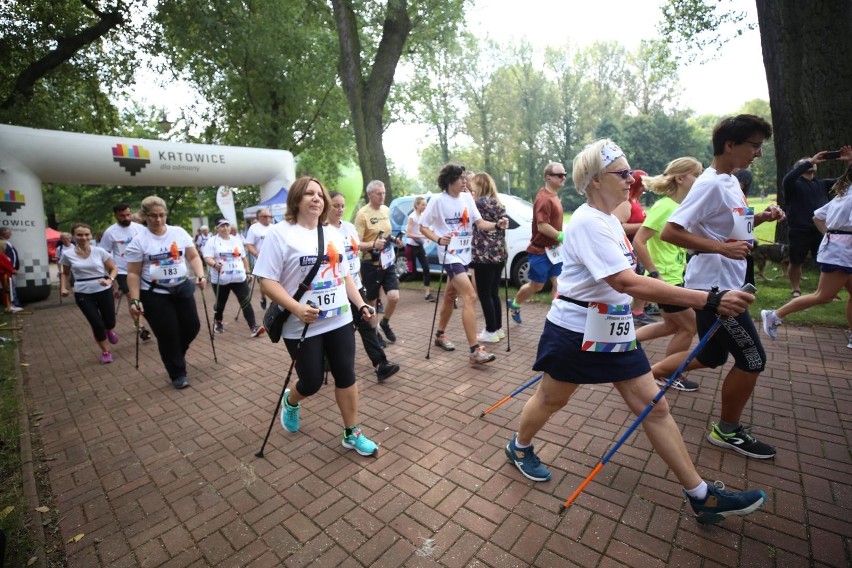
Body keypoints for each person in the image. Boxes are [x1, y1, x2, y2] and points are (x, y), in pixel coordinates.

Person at [504, 138, 767, 525]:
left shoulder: (609, 221)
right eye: (622, 173)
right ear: (595, 180)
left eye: (630, 171)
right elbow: (627, 283)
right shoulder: (589, 223)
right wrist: (707, 299)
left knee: (654, 407)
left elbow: (628, 274)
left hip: (611, 326)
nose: (631, 179)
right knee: (551, 399)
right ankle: (520, 446)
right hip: (576, 330)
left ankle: (701, 496)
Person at [653, 114, 785, 459]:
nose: (758, 153)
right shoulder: (710, 183)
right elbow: (672, 231)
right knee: (753, 359)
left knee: (712, 355)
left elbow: (726, 226)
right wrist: (722, 248)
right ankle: (727, 431)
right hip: (716, 290)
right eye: (754, 145)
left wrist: (761, 218)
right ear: (730, 145)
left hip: (728, 282)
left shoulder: (729, 181)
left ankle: (647, 375)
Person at [254, 176, 380, 456]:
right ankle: (292, 401)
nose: (316, 199)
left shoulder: (333, 233)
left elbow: (344, 273)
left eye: (319, 194)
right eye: (309, 194)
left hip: (339, 318)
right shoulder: (280, 233)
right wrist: (297, 308)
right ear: (296, 199)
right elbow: (266, 281)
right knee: (310, 381)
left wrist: (360, 304)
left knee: (346, 374)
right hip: (301, 324)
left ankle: (351, 432)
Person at [419, 164, 509, 365]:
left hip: (466, 255)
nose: (465, 182)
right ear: (450, 181)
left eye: (465, 178)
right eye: (461, 178)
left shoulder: (468, 198)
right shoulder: (438, 200)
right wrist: (438, 239)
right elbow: (423, 226)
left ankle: (440, 334)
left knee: (451, 295)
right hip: (450, 256)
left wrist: (496, 225)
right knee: (470, 295)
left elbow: (480, 223)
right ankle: (474, 350)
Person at [762, 160, 852, 347]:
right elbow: (818, 216)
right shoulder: (845, 194)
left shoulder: (842, 193)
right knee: (823, 295)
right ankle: (774, 315)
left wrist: (830, 235)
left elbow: (817, 216)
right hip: (840, 251)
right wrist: (835, 236)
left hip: (838, 247)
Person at [632, 158, 703, 392]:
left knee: (672, 326)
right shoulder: (664, 207)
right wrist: (654, 274)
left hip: (675, 276)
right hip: (666, 280)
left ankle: (627, 341)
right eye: (696, 175)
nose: (700, 179)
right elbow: (639, 241)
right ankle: (665, 374)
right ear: (680, 178)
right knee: (689, 327)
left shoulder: (679, 206)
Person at [126, 196, 207, 390]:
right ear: (145, 216)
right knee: (167, 333)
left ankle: (175, 355)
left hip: (182, 287)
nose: (158, 220)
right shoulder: (139, 241)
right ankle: (178, 373)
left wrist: (201, 274)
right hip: (155, 293)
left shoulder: (178, 232)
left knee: (192, 326)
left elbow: (193, 255)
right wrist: (135, 301)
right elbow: (133, 273)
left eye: (162, 215)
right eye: (153, 216)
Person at [329, 190, 401, 381]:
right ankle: (328, 359)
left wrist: (372, 246)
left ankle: (381, 364)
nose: (340, 209)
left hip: (355, 284)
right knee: (342, 329)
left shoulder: (349, 227)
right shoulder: (323, 230)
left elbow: (356, 248)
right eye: (335, 205)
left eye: (342, 206)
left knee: (367, 322)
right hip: (336, 287)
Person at [781, 146, 851, 297]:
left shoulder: (823, 184)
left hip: (820, 228)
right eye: (807, 163)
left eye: (812, 163)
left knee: (824, 262)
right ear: (800, 168)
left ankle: (827, 291)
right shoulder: (793, 184)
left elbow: (846, 181)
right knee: (796, 261)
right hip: (799, 229)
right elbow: (788, 178)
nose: (812, 164)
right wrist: (810, 160)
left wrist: (849, 163)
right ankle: (795, 289)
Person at [507, 162, 566, 324]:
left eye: (565, 174)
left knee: (559, 284)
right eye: (559, 175)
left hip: (554, 250)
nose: (564, 178)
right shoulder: (544, 199)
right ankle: (515, 304)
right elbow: (542, 226)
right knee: (537, 286)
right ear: (548, 177)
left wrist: (559, 240)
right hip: (540, 251)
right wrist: (561, 236)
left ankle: (556, 319)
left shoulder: (553, 196)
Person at [59, 223, 119, 364]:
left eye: (86, 234)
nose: (83, 237)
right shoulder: (67, 254)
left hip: (103, 289)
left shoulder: (100, 251)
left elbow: (113, 268)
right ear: (73, 236)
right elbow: (65, 273)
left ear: (90, 236)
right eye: (79, 235)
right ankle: (105, 351)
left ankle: (109, 329)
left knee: (110, 321)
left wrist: (110, 280)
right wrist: (63, 287)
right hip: (82, 292)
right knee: (96, 323)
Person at [354, 180, 401, 344]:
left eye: (384, 193)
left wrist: (394, 239)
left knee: (394, 297)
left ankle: (385, 323)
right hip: (370, 264)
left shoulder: (385, 210)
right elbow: (357, 244)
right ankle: (374, 334)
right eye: (378, 194)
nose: (382, 196)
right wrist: (373, 244)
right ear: (370, 195)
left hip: (387, 262)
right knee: (371, 302)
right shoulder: (362, 214)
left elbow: (385, 234)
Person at [202, 218, 264, 337]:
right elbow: (207, 257)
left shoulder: (237, 240)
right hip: (221, 279)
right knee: (220, 303)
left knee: (245, 301)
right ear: (217, 228)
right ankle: (218, 321)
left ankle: (254, 326)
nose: (225, 228)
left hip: (238, 277)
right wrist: (215, 264)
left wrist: (248, 272)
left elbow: (243, 258)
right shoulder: (212, 241)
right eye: (222, 226)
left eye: (227, 225)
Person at [98, 203, 151, 341]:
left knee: (146, 296)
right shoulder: (110, 232)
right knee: (131, 297)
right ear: (115, 215)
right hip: (123, 270)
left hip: (142, 267)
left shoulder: (140, 229)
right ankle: (140, 327)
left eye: (128, 214)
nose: (126, 218)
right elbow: (104, 254)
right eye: (122, 216)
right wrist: (110, 276)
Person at [614, 170, 657, 326]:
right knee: (638, 278)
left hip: (638, 246)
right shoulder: (625, 203)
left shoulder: (635, 201)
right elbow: (619, 226)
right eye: (643, 184)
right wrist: (645, 226)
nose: (645, 188)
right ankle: (637, 311)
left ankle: (640, 308)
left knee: (642, 276)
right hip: (630, 246)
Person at [470, 172, 507, 344]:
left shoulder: (477, 203)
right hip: (499, 252)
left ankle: (491, 330)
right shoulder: (498, 203)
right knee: (493, 293)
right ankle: (497, 328)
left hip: (483, 254)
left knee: (484, 293)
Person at [405, 196, 435, 302]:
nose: (425, 207)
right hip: (410, 248)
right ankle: (393, 285)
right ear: (417, 205)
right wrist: (422, 236)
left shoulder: (423, 216)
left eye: (426, 205)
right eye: (423, 205)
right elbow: (408, 234)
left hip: (420, 247)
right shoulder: (412, 217)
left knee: (426, 269)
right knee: (410, 274)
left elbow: (427, 228)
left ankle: (427, 294)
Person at [244, 207, 273, 310]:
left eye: (269, 216)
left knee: (276, 281)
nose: (268, 219)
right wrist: (256, 254)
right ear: (259, 217)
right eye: (265, 216)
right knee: (263, 282)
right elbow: (248, 244)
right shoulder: (254, 228)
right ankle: (263, 296)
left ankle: (275, 300)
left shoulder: (274, 228)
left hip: (274, 260)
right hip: (261, 260)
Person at [0, 229, 23, 312]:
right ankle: (11, 305)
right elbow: (2, 259)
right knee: (9, 287)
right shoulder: (1, 243)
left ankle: (13, 304)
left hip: (10, 270)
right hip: (6, 271)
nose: (11, 234)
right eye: (9, 232)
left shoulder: (6, 242)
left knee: (11, 286)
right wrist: (10, 269)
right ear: (3, 233)